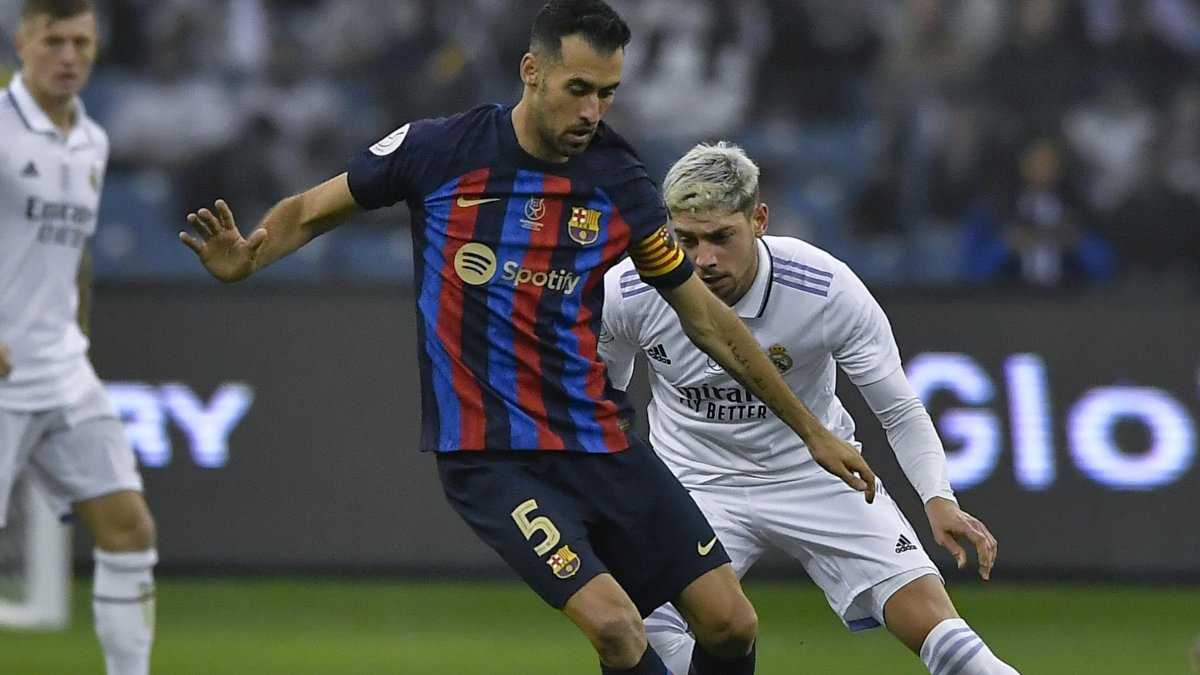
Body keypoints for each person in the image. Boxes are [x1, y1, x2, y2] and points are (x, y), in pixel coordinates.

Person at [179, 2, 878, 672]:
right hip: (492, 456)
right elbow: (311, 209)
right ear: (531, 71)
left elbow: (705, 317)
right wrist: (249, 258)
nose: (592, 112)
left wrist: (812, 431)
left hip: (599, 441)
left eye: (606, 93)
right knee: (617, 627)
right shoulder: (438, 150)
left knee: (731, 624)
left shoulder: (618, 179)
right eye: (578, 89)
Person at [599, 141, 1020, 675]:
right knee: (641, 630)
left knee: (945, 637)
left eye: (721, 237)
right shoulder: (629, 290)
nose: (703, 260)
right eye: (687, 240)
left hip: (816, 475)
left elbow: (898, 410)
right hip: (692, 481)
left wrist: (939, 498)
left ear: (759, 220)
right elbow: (605, 404)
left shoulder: (824, 288)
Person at [0, 2, 157, 674]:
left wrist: (79, 337)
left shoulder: (92, 140)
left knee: (130, 529)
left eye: (81, 43)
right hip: (3, 378)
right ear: (22, 42)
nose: (69, 57)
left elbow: (79, 257)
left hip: (63, 370)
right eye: (54, 41)